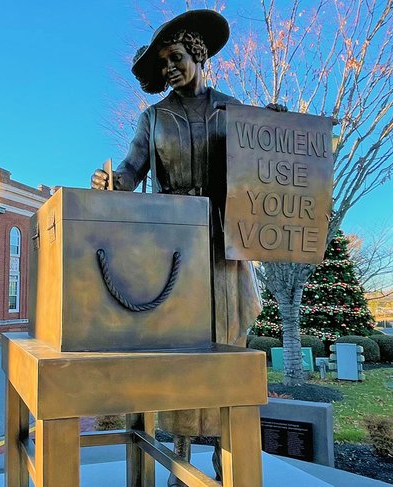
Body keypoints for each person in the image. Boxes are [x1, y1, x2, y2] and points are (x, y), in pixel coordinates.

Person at [90, 9, 279, 484]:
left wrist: (279, 133)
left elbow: (263, 160)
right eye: (162, 63)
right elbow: (131, 172)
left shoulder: (233, 110)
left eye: (176, 57)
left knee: (228, 340)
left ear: (198, 55)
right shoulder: (152, 118)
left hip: (223, 243)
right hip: (171, 244)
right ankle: (179, 453)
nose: (170, 67)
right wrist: (113, 182)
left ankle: (225, 447)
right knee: (178, 346)